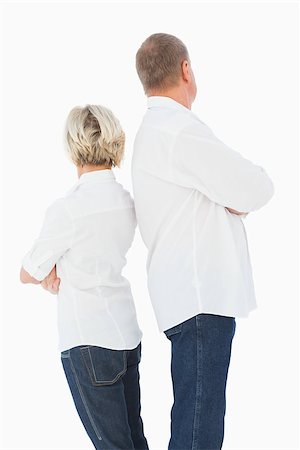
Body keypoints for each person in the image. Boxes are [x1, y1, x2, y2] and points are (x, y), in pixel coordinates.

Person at [132, 33, 274, 450]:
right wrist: (234, 199)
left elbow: (236, 193)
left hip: (185, 297)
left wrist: (231, 197)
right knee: (200, 426)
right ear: (186, 70)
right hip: (200, 299)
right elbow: (254, 187)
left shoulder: (157, 131)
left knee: (194, 417)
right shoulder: (178, 130)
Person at [20, 104, 149, 450]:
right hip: (126, 336)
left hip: (88, 340)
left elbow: (28, 272)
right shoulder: (126, 201)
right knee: (135, 441)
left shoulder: (68, 208)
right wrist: (60, 269)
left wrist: (54, 271)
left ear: (73, 145)